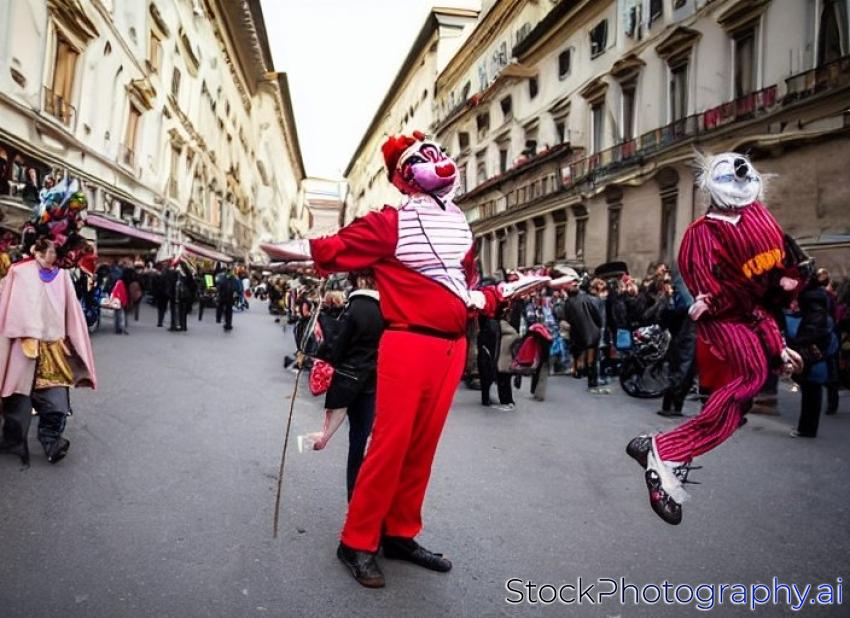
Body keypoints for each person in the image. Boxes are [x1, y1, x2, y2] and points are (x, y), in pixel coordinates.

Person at [274, 131, 546, 588]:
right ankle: (356, 541)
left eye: (439, 153)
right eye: (425, 157)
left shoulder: (459, 224)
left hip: (451, 347)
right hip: (408, 343)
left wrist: (504, 292)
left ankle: (399, 532)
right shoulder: (391, 222)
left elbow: (466, 290)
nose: (438, 160)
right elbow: (338, 246)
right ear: (406, 176)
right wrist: (293, 249)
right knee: (389, 446)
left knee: (422, 448)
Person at [627, 153, 803, 525]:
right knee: (751, 377)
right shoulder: (701, 234)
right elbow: (715, 296)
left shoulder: (761, 219)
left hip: (751, 313)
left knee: (735, 411)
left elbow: (766, 293)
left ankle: (666, 453)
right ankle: (664, 451)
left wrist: (779, 346)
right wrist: (744, 297)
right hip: (724, 318)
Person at [0, 238, 96, 465]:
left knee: (56, 400)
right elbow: (5, 308)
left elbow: (72, 312)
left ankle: (51, 441)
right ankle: (11, 439)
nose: (51, 256)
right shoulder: (18, 271)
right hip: (22, 346)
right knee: (16, 396)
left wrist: (75, 342)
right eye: (47, 250)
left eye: (55, 251)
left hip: (53, 347)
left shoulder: (62, 276)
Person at [308, 272, 383, 500]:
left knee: (339, 420)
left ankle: (323, 437)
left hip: (347, 377)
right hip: (372, 380)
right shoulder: (385, 309)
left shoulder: (354, 308)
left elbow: (338, 346)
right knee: (360, 438)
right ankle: (357, 495)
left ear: (360, 280)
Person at [789, 276, 838, 437]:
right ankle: (807, 428)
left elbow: (809, 334)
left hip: (814, 358)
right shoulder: (823, 311)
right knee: (812, 393)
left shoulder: (813, 313)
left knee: (811, 394)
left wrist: (795, 343)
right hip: (819, 357)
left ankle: (806, 429)